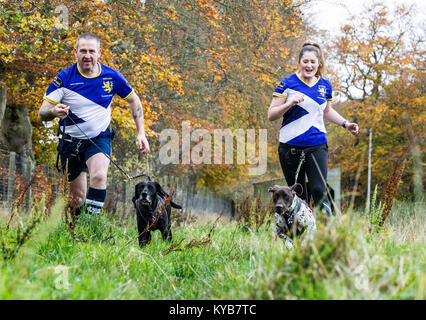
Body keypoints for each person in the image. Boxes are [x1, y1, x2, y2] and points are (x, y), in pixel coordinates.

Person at [38, 33, 150, 216]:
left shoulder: (112, 77)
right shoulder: (64, 78)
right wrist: (53, 112)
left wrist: (141, 133)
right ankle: (74, 232)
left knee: (98, 176)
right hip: (70, 142)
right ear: (75, 52)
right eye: (83, 51)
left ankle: (91, 227)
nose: (87, 55)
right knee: (76, 198)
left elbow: (134, 100)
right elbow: (42, 113)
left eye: (91, 51)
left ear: (99, 53)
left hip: (99, 138)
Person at [268, 42, 359, 216]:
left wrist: (346, 124)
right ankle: (300, 234)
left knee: (319, 189)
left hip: (316, 145)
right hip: (290, 147)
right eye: (305, 61)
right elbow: (271, 115)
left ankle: (327, 231)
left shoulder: (325, 86)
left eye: (312, 62)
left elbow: (327, 111)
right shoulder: (286, 83)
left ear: (319, 64)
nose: (309, 65)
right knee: (298, 194)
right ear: (299, 62)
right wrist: (290, 103)